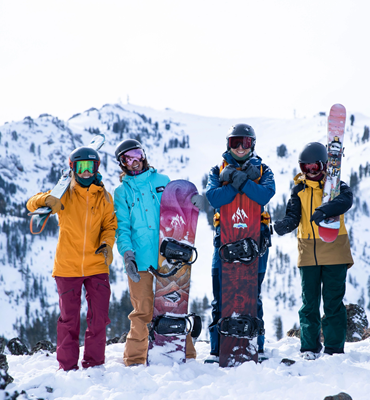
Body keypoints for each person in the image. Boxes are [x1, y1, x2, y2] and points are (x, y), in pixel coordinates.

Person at [26, 147, 117, 371]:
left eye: (90, 167)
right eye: (81, 167)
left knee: (99, 318)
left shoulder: (104, 196)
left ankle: (94, 364)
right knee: (69, 320)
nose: (86, 172)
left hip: (97, 265)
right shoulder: (64, 192)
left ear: (97, 168)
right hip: (67, 266)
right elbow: (32, 203)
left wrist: (107, 244)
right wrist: (47, 198)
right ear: (73, 168)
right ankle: (67, 366)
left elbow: (110, 226)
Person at [113, 138, 197, 366]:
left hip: (167, 256)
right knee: (142, 310)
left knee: (174, 305)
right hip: (140, 259)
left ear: (143, 155)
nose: (134, 161)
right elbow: (122, 227)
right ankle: (134, 359)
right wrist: (127, 254)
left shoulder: (163, 181)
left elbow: (179, 211)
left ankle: (186, 354)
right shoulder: (121, 192)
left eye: (136, 155)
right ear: (122, 164)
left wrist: (192, 203)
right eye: (127, 159)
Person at [274, 142, 354, 360]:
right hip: (308, 251)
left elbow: (346, 201)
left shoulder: (337, 187)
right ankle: (309, 347)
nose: (310, 172)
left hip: (334, 249)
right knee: (309, 302)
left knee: (333, 302)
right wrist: (284, 225)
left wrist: (323, 211)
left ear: (324, 166)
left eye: (314, 168)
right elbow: (294, 216)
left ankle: (334, 348)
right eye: (305, 168)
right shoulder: (299, 189)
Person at [205, 123, 275, 363]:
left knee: (252, 294)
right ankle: (217, 347)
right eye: (235, 142)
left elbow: (265, 195)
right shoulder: (217, 170)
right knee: (221, 294)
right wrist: (239, 182)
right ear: (228, 144)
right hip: (225, 240)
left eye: (245, 142)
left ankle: (257, 344)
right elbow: (214, 198)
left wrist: (238, 181)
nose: (240, 147)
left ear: (252, 145)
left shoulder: (264, 170)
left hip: (256, 241)